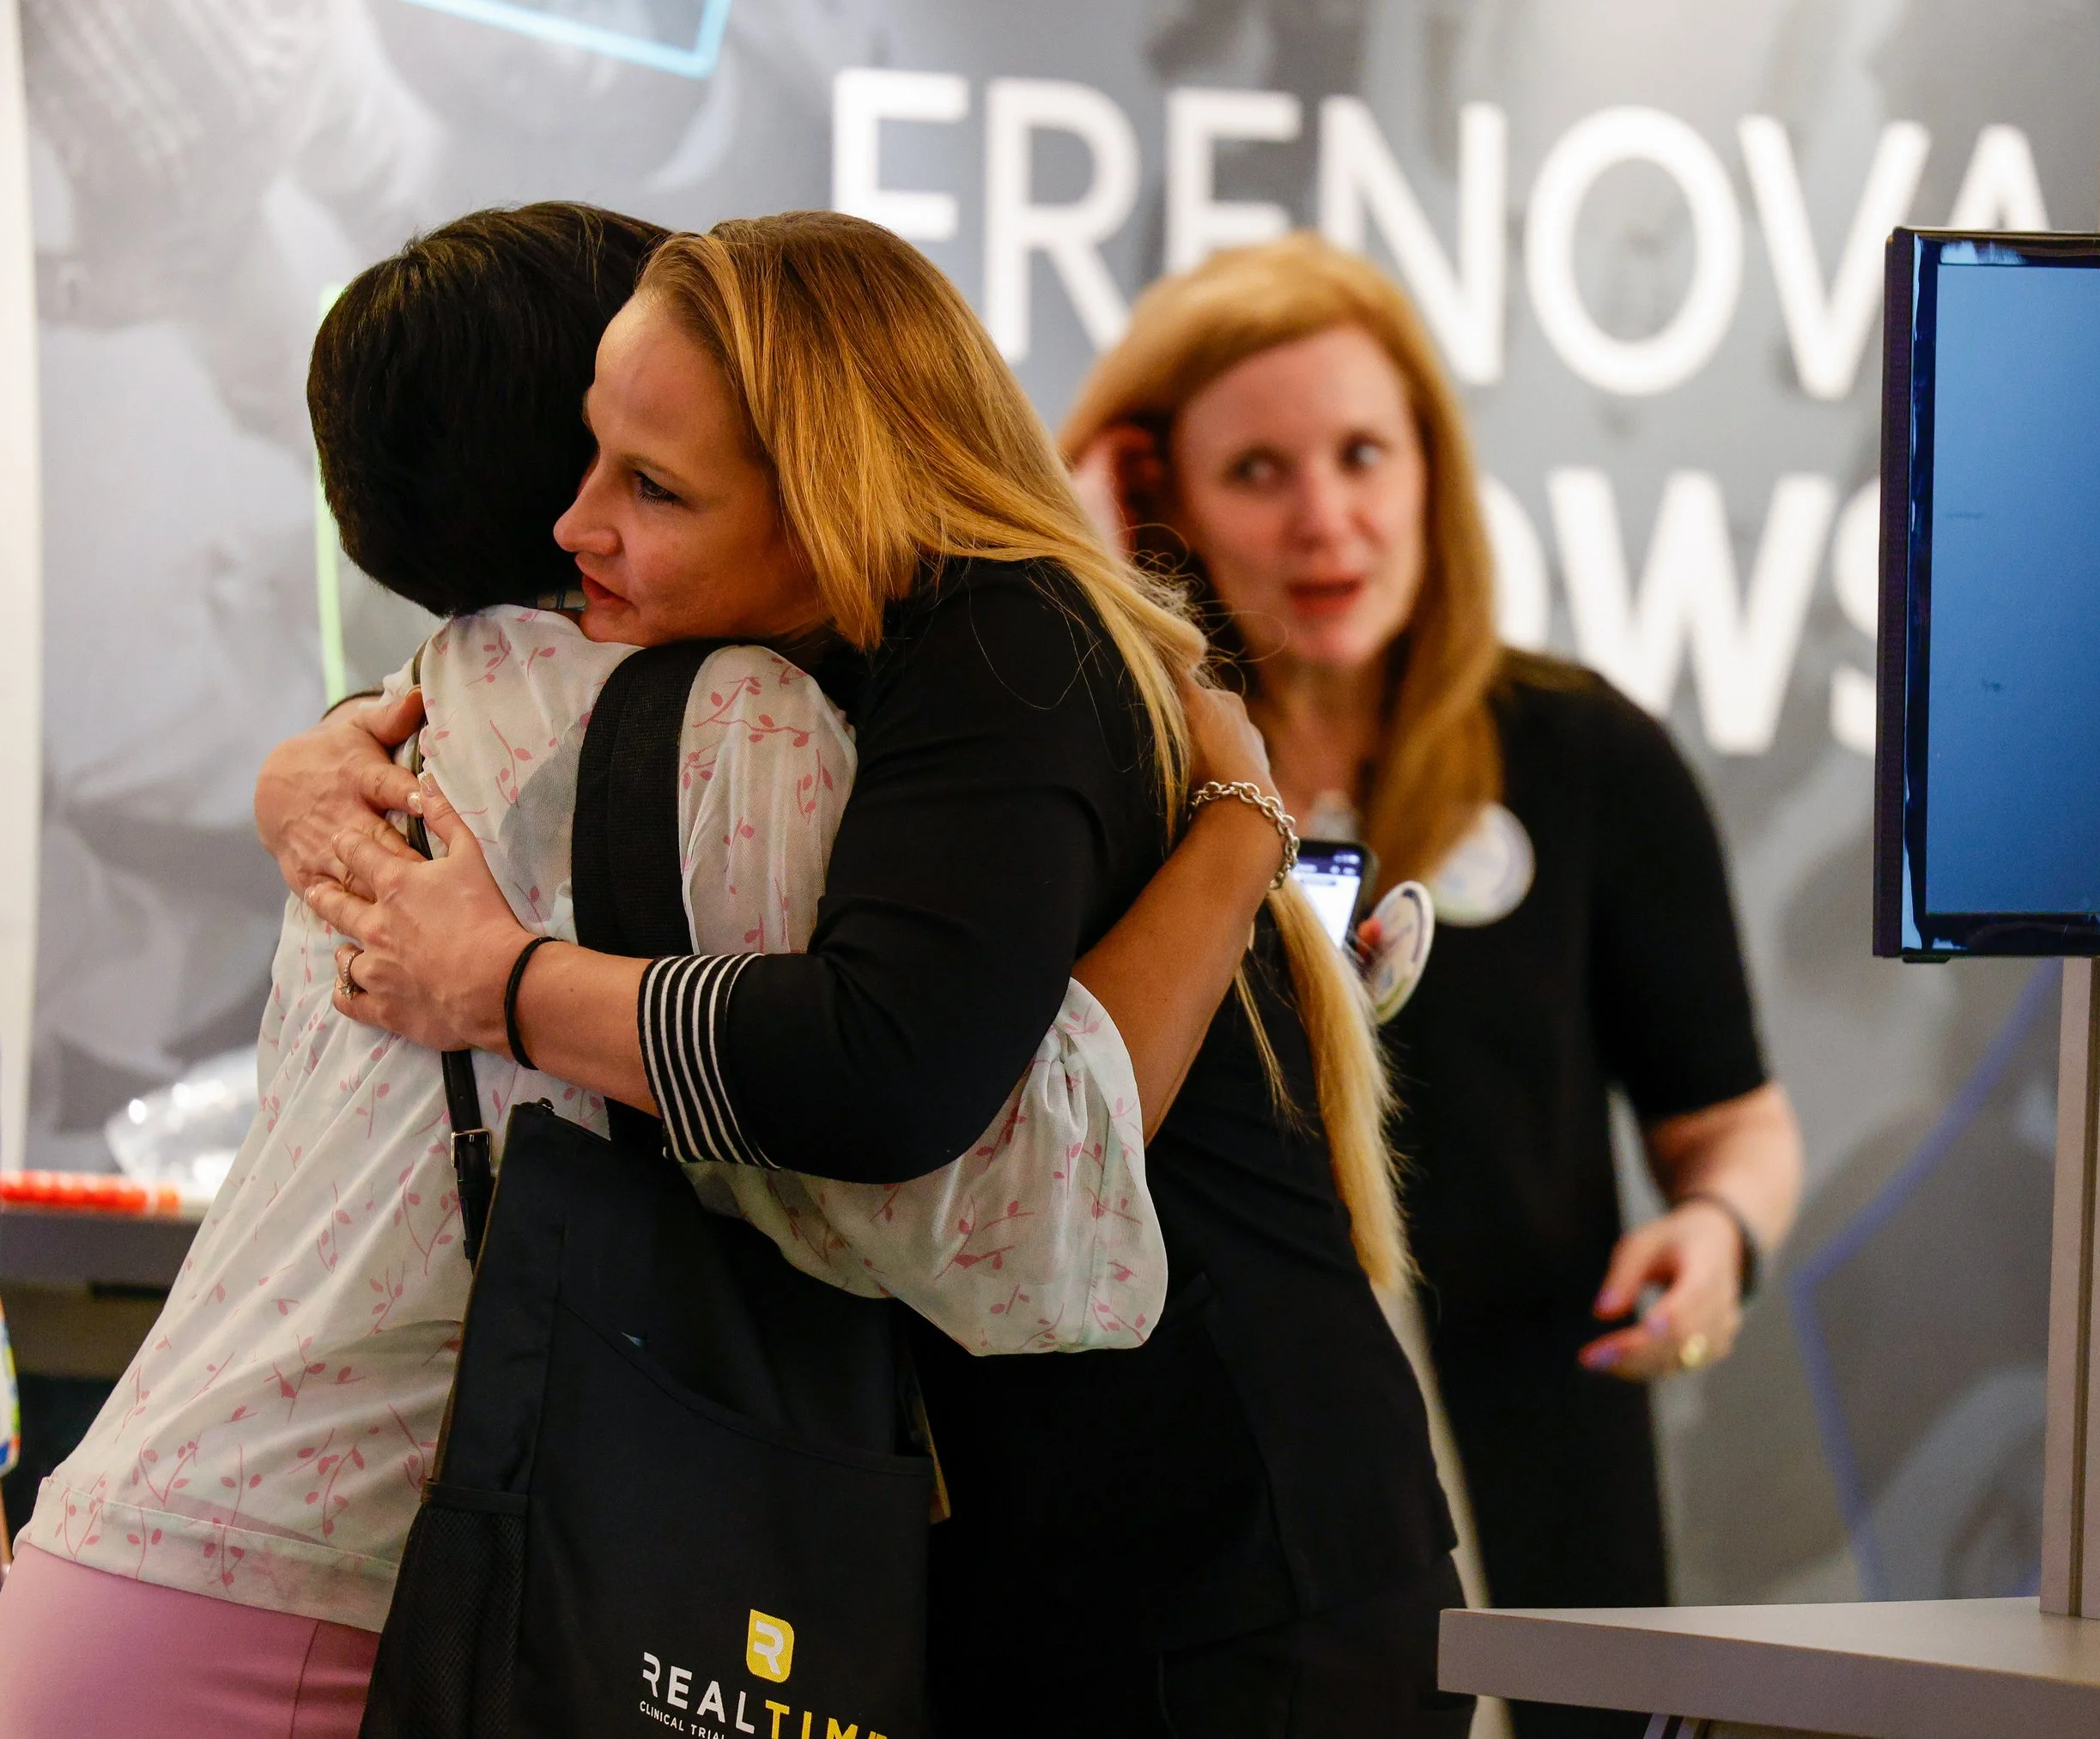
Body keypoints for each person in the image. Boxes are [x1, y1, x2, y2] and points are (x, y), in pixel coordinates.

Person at [0, 203, 1261, 1738]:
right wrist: (1240, 830)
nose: (602, 506)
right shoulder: (738, 727)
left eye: (651, 464)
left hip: (132, 1544)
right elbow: (996, 1204)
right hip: (325, 1599)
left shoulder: (407, 717)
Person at [265, 210, 1474, 1737]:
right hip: (1059, 1545)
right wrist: (317, 763)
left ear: (824, 494)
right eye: (591, 460)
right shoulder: (862, 660)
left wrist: (503, 984)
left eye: (651, 485)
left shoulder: (1004, 634)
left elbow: (887, 1069)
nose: (577, 525)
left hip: (1224, 1566)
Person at [1064, 233, 1806, 1739]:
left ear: (1430, 472)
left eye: (1362, 454)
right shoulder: (1103, 771)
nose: (1326, 519)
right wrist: (1093, 583)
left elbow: (1733, 1123)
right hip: (1208, 1553)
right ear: (1162, 497)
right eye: (1257, 470)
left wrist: (1719, 1235)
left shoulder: (1584, 754)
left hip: (1543, 1507)